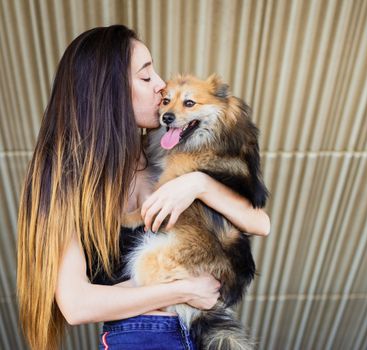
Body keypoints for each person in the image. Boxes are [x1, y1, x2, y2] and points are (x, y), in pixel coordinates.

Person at [16, 24, 270, 350]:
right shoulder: (65, 181)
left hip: (202, 333)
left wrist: (198, 184)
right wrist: (183, 290)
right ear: (109, 91)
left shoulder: (166, 157)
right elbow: (76, 304)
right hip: (143, 335)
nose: (162, 86)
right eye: (146, 77)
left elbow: (259, 222)